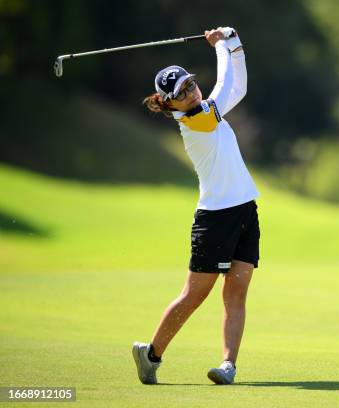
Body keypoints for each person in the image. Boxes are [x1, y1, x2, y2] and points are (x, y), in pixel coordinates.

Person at [132, 27, 260, 386]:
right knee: (194, 295)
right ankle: (151, 354)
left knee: (236, 293)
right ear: (169, 103)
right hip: (215, 220)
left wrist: (235, 44)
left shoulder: (206, 111)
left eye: (190, 84)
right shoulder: (194, 120)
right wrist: (221, 46)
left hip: (245, 212)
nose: (191, 91)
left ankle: (228, 365)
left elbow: (238, 88)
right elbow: (224, 89)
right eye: (182, 92)